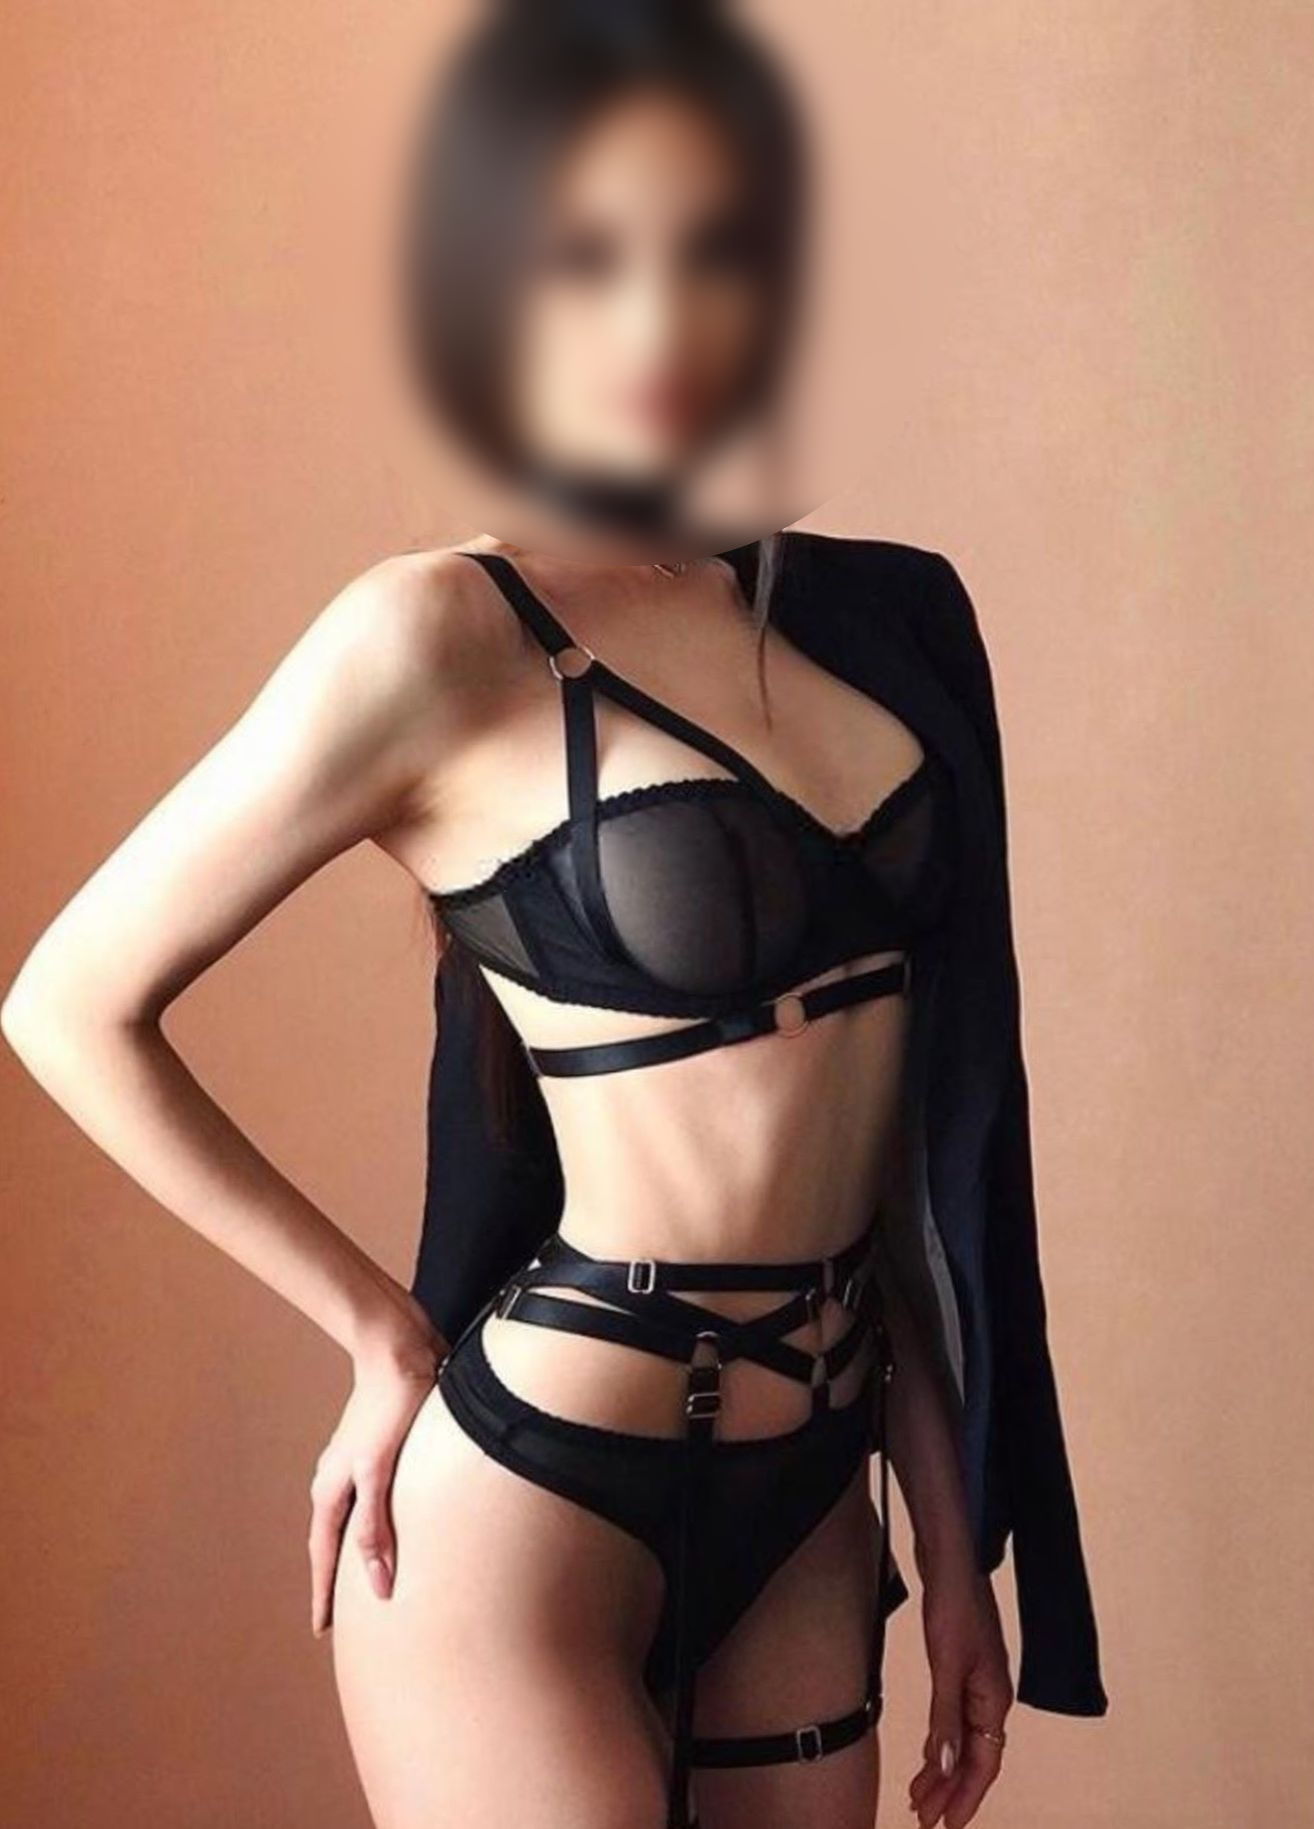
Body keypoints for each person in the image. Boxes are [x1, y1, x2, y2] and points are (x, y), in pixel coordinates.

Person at [1, 4, 1105, 1827]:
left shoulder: (890, 624)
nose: (660, 317)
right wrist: (375, 1328)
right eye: (590, 261)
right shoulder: (444, 635)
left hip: (819, 1506)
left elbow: (903, 1153)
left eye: (712, 250)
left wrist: (950, 1524)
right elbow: (68, 1003)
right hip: (537, 1502)